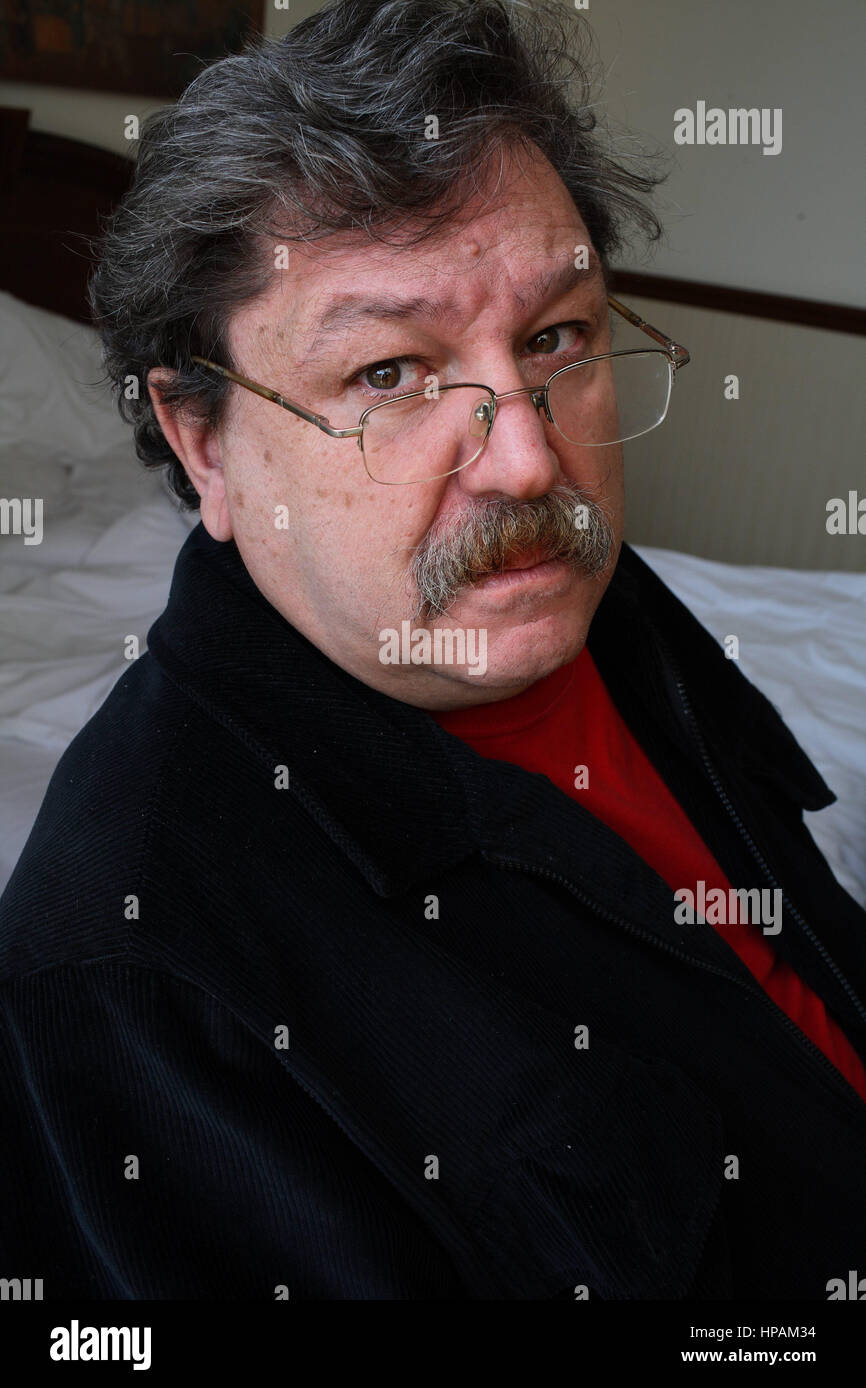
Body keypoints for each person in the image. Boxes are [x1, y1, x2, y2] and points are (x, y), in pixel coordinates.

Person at [1, 0, 864, 1301]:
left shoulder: (593, 601)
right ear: (202, 442)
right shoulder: (130, 971)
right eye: (390, 374)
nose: (527, 460)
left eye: (555, 337)